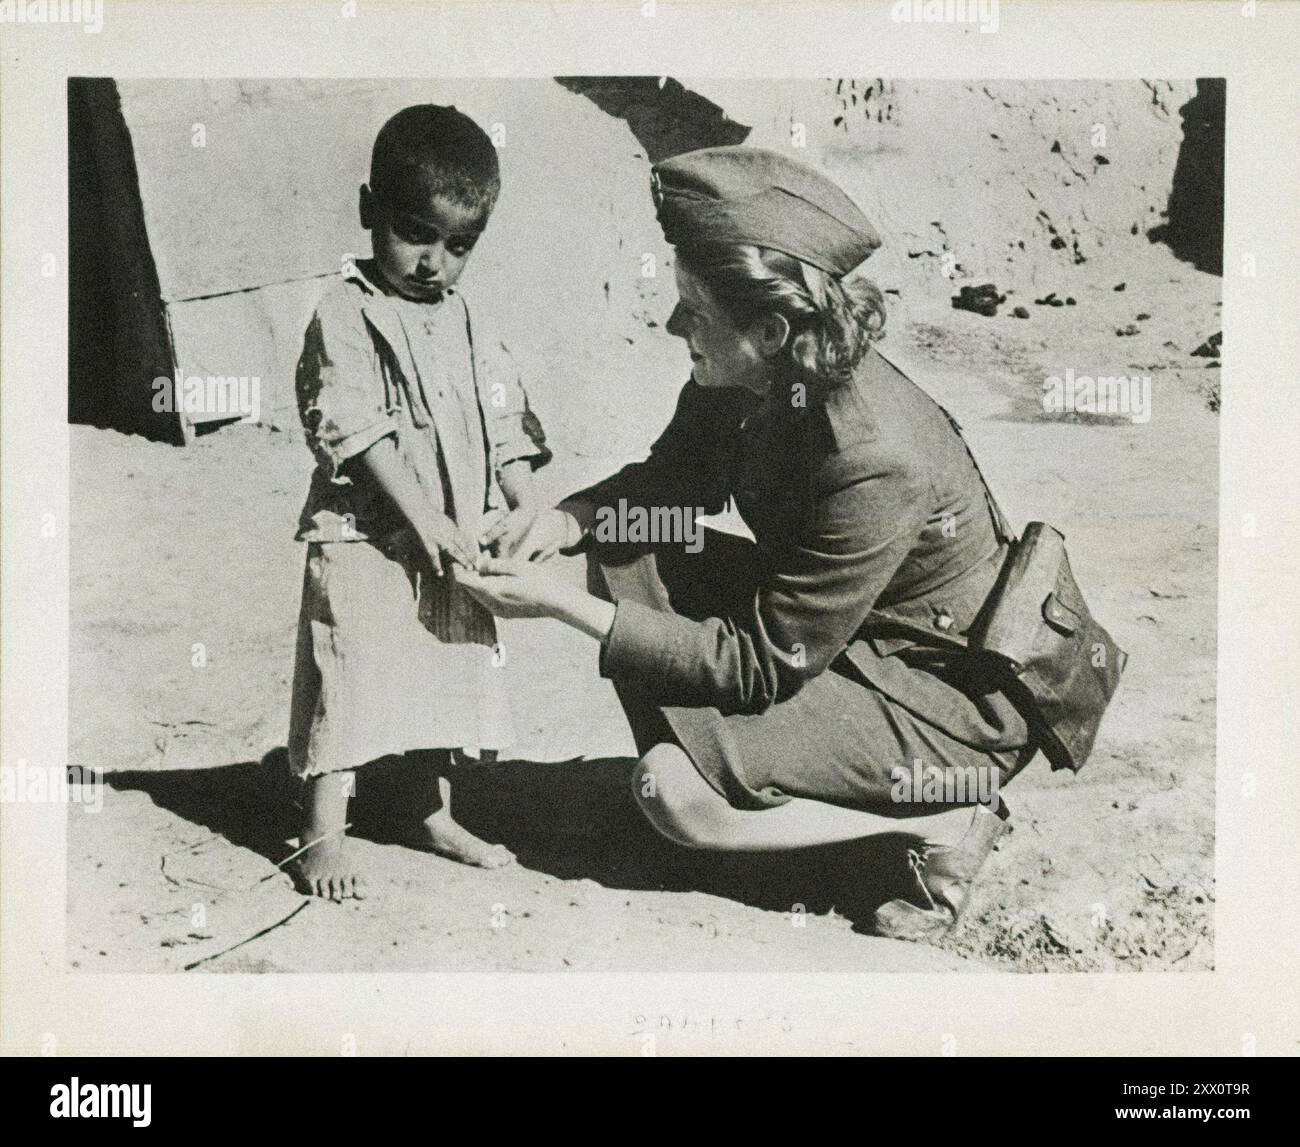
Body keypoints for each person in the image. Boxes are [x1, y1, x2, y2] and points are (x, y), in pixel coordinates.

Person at [460, 145, 1038, 942]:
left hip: (939, 706)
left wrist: (559, 606)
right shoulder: (754, 372)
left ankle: (945, 815)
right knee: (625, 544)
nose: (672, 325)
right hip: (846, 646)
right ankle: (765, 782)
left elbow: (761, 662)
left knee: (672, 795)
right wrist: (562, 522)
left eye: (693, 309)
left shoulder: (875, 455)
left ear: (768, 327)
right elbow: (676, 481)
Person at [286, 104, 550, 900]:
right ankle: (321, 830)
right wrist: (420, 517)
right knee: (352, 665)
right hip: (367, 534)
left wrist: (523, 498)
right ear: (370, 212)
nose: (435, 262)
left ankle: (423, 807)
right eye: (415, 233)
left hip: (449, 531)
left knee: (443, 662)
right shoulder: (345, 311)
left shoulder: (464, 316)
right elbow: (355, 427)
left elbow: (500, 409)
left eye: (459, 245)